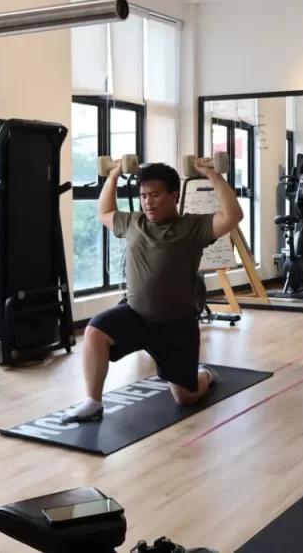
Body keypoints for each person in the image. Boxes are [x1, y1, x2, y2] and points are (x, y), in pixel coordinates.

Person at [60, 160, 244, 423]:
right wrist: (113, 176)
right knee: (94, 331)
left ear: (174, 196)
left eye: (155, 195)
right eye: (144, 196)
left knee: (186, 398)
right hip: (135, 316)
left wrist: (212, 175)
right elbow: (104, 212)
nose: (148, 202)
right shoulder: (134, 223)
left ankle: (205, 375)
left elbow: (233, 216)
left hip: (177, 325)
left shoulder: (193, 227)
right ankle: (93, 402)